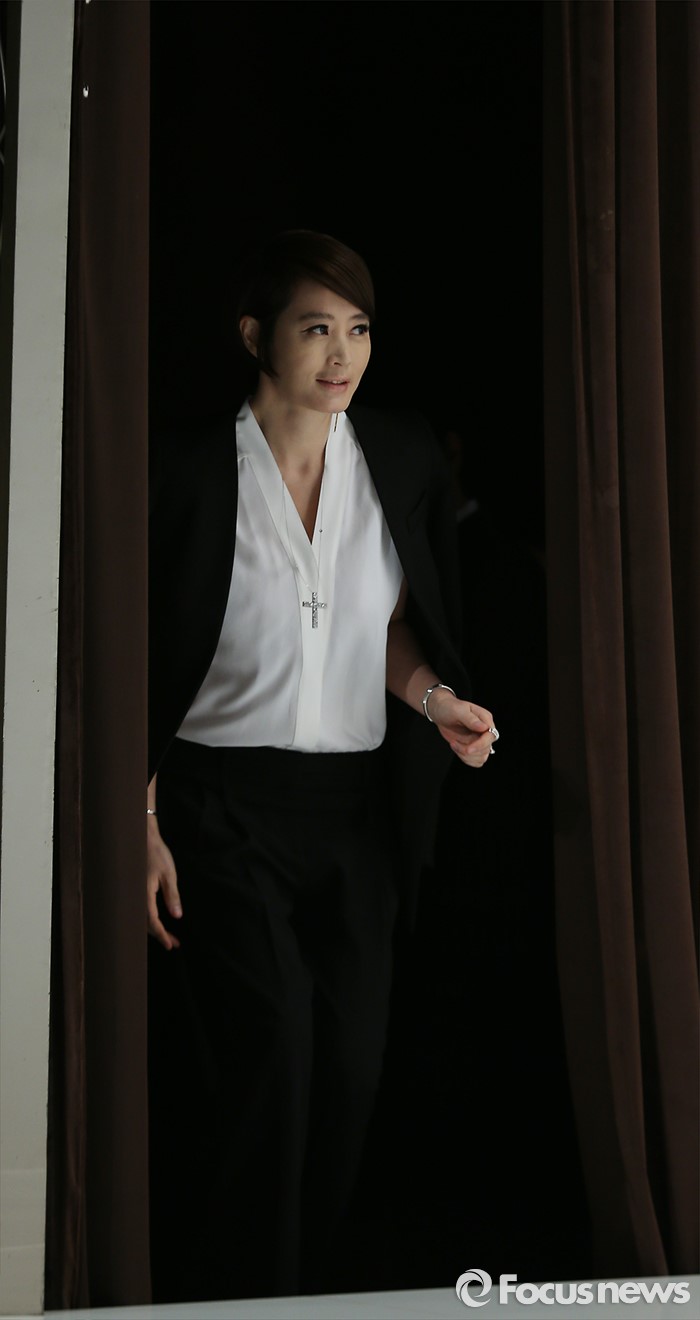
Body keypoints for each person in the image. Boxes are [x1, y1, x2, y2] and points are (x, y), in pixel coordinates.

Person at [145, 228, 498, 1303]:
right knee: (277, 1058)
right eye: (315, 329)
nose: (342, 354)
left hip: (352, 812)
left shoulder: (397, 456)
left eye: (358, 329)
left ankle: (301, 1288)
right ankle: (251, 1293)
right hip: (221, 806)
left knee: (349, 1072)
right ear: (256, 336)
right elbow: (133, 657)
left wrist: (434, 701)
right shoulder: (187, 470)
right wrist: (140, 819)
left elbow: (382, 627)